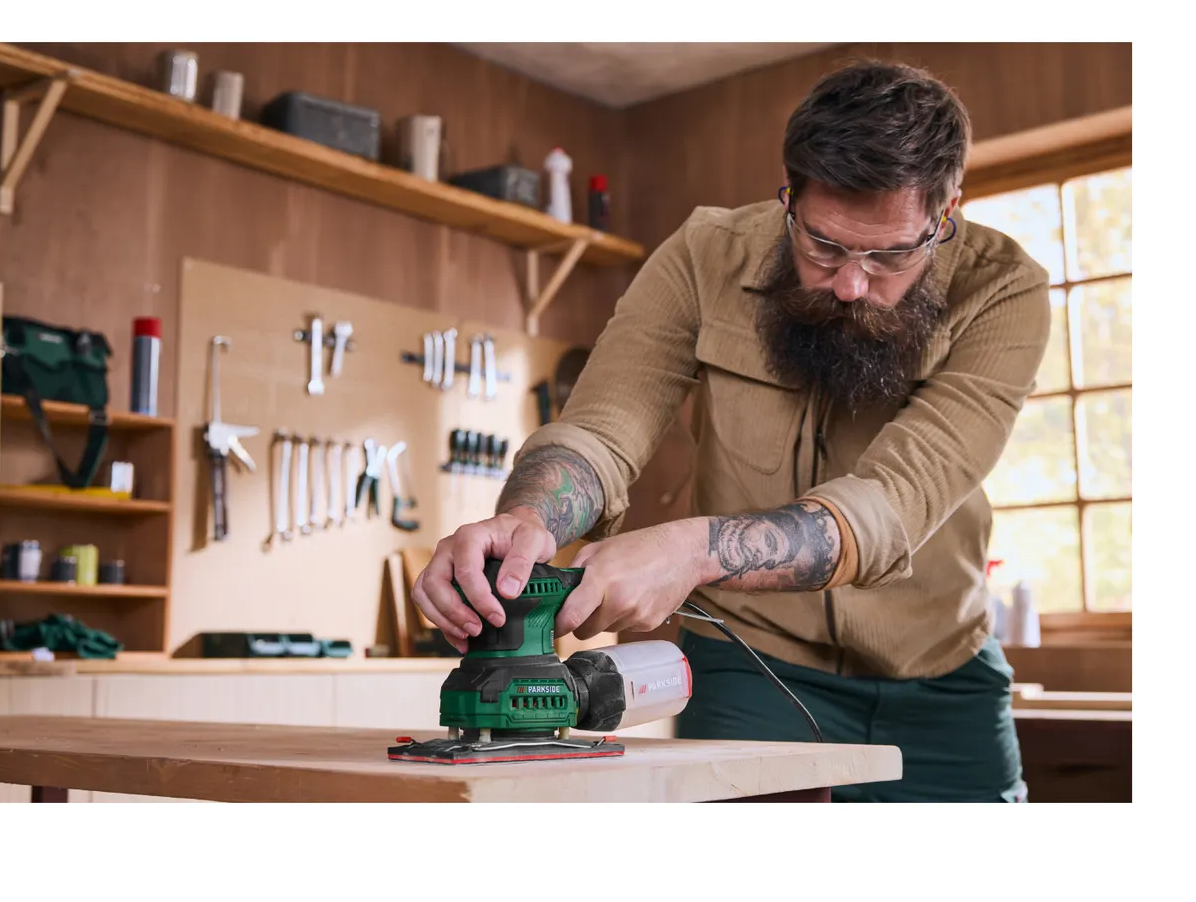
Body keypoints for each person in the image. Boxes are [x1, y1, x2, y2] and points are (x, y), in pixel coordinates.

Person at [412, 59, 1051, 802]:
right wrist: (526, 521)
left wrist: (689, 550)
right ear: (790, 198)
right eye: (824, 245)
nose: (850, 283)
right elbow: (602, 428)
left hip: (944, 674)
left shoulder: (1006, 290)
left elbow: (890, 504)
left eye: (889, 255)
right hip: (752, 665)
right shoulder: (702, 255)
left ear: (946, 215)